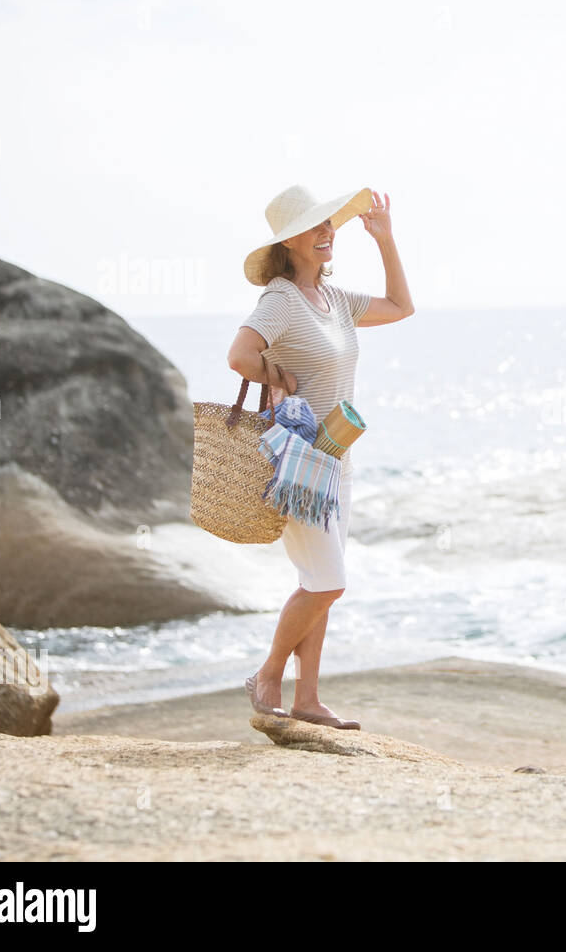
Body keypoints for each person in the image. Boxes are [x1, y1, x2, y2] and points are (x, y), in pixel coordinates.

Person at [227, 184, 414, 729]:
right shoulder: (280, 301)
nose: (327, 232)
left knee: (320, 585)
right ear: (289, 244)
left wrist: (385, 239)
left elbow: (402, 306)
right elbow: (239, 355)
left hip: (336, 462)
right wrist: (274, 375)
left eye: (329, 224)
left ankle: (307, 699)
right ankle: (267, 674)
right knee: (327, 582)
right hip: (296, 464)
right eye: (315, 226)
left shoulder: (337, 302)